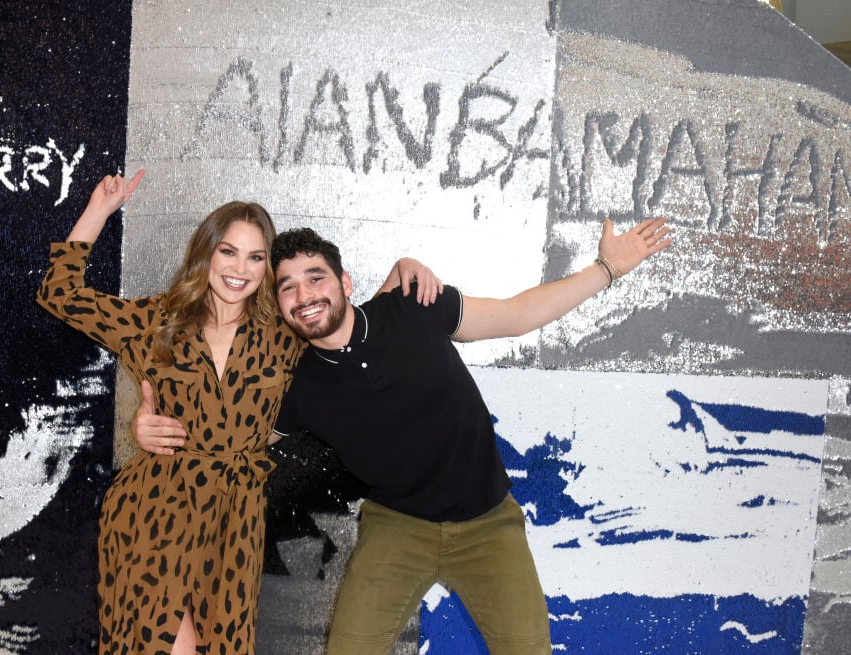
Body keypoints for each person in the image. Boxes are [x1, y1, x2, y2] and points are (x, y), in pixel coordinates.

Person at [35, 171, 439, 655]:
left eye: (255, 256)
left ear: (268, 268)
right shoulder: (155, 321)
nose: (239, 268)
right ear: (206, 251)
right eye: (228, 251)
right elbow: (60, 293)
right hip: (155, 509)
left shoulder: (285, 336)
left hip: (235, 522)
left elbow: (353, 323)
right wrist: (100, 208)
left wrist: (402, 268)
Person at [261, 217, 672, 655]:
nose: (304, 295)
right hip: (397, 528)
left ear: (344, 281)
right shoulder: (298, 388)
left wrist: (605, 269)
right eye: (288, 287)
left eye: (315, 277)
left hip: (488, 524)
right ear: (279, 303)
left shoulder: (411, 306)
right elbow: (236, 437)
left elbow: (517, 315)